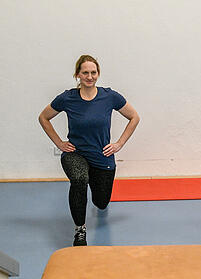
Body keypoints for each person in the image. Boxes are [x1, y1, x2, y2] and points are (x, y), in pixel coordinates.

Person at [38, 55, 140, 246]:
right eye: (85, 72)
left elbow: (134, 117)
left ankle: (94, 180)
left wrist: (119, 143)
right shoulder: (67, 98)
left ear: (98, 74)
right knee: (79, 179)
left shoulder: (109, 96)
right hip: (75, 153)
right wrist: (59, 142)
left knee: (101, 202)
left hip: (102, 156)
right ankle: (80, 230)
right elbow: (43, 117)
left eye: (93, 72)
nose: (89, 76)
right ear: (78, 74)